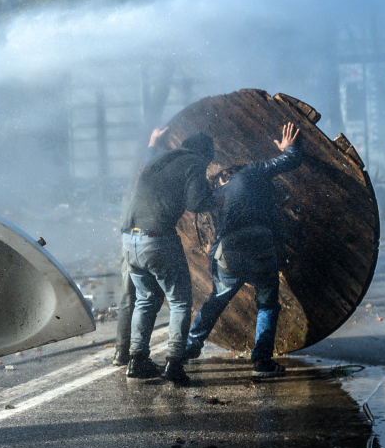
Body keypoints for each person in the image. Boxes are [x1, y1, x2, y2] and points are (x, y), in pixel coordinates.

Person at [184, 123, 302, 378]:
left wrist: (214, 268)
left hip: (230, 250)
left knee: (217, 299)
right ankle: (261, 362)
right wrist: (288, 148)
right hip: (260, 243)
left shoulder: (217, 196)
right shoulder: (252, 172)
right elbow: (291, 160)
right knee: (268, 304)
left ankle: (190, 347)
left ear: (224, 175)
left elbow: (215, 239)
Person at [121, 131, 217, 385]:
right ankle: (174, 363)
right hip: (158, 239)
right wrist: (219, 195)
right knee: (180, 302)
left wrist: (152, 141)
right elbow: (196, 203)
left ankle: (137, 360)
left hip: (129, 239)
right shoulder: (195, 162)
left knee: (145, 298)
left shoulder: (159, 158)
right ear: (205, 155)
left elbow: (149, 159)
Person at [113, 127, 170, 366]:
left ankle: (122, 352)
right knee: (147, 296)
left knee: (131, 295)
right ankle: (135, 355)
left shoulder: (140, 176)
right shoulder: (151, 173)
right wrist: (153, 144)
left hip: (129, 237)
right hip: (142, 236)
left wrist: (152, 143)